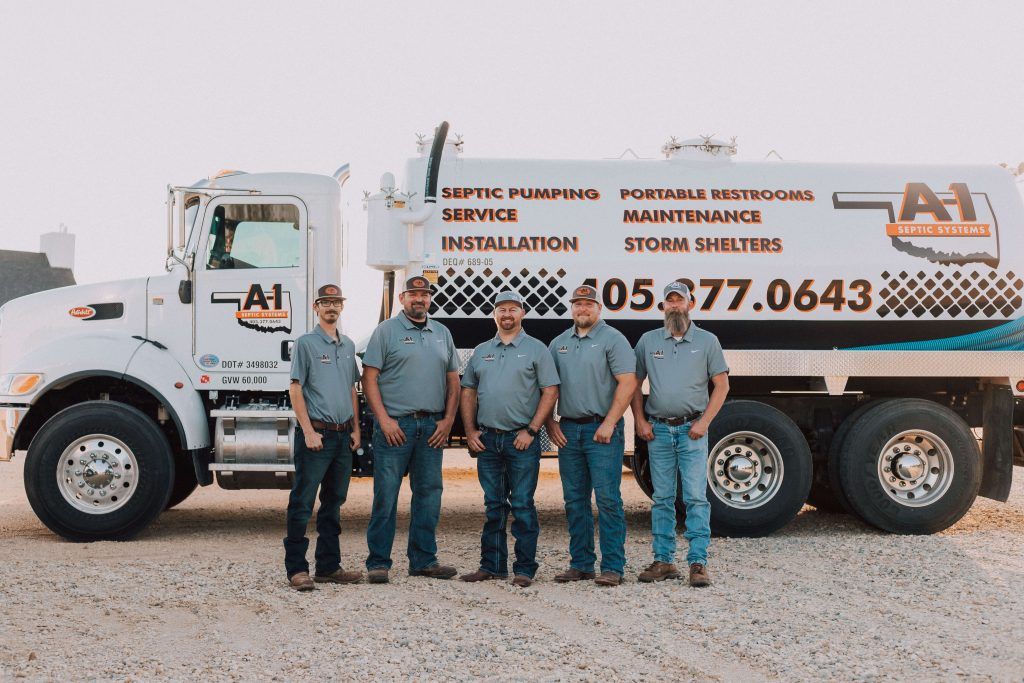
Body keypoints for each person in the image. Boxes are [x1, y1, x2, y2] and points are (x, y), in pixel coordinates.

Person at [362, 275, 461, 583]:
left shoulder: (441, 333)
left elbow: (454, 381)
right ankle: (378, 563)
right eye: (413, 294)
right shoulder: (385, 332)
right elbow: (369, 378)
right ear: (402, 299)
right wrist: (384, 420)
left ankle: (423, 560)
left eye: (424, 294)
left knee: (429, 494)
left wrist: (447, 421)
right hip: (396, 426)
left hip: (431, 426)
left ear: (430, 299)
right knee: (386, 495)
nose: (419, 299)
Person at [631, 281, 730, 588]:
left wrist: (704, 422)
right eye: (669, 301)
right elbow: (633, 384)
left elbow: (722, 386)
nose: (674, 305)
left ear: (691, 303)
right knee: (661, 498)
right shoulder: (648, 341)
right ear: (662, 306)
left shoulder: (707, 340)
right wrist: (639, 420)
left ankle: (698, 564)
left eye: (679, 300)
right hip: (658, 430)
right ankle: (663, 561)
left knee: (695, 498)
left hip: (692, 431)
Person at [459, 291, 560, 588]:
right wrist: (470, 431)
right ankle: (491, 566)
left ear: (522, 313)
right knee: (493, 506)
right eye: (501, 309)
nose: (507, 314)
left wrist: (531, 431)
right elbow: (468, 392)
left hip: (521, 441)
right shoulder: (481, 350)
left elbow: (550, 391)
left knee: (523, 506)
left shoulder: (536, 349)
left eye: (513, 309)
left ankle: (524, 569)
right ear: (494, 314)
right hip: (488, 440)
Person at [546, 284, 637, 587]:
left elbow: (627, 383)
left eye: (588, 304)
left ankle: (613, 567)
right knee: (574, 500)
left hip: (602, 429)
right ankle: (581, 564)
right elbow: (547, 388)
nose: (582, 309)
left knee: (608, 499)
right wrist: (551, 423)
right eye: (577, 304)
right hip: (569, 429)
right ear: (571, 308)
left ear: (599, 309)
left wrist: (610, 422)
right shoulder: (559, 343)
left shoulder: (613, 339)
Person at [284, 284, 363, 591]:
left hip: (343, 436)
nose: (332, 307)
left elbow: (350, 390)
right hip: (317, 436)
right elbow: (295, 388)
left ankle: (329, 567)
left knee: (333, 502)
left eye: (336, 302)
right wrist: (307, 431)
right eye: (326, 302)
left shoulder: (347, 345)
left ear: (341, 307)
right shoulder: (305, 343)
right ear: (316, 307)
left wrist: (356, 428)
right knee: (302, 501)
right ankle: (297, 569)